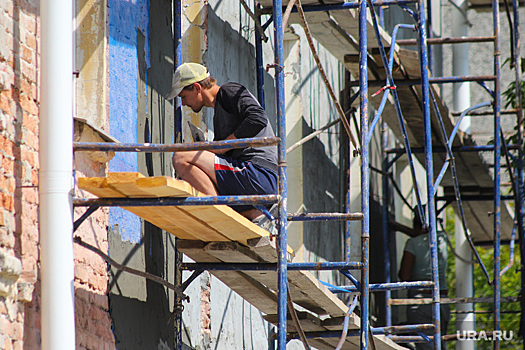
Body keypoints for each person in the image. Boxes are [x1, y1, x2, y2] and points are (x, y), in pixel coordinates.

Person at [166, 63, 278, 224]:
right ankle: (253, 213)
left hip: (258, 174)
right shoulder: (219, 114)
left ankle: (220, 216)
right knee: (195, 172)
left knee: (181, 157)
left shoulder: (229, 91)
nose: (183, 103)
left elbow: (257, 118)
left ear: (197, 87)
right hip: (256, 180)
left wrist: (224, 145)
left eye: (183, 96)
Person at [397, 207, 451, 350]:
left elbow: (404, 276)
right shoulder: (442, 239)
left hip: (421, 302)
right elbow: (422, 234)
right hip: (443, 302)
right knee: (439, 344)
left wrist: (396, 226)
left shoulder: (413, 244)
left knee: (425, 346)